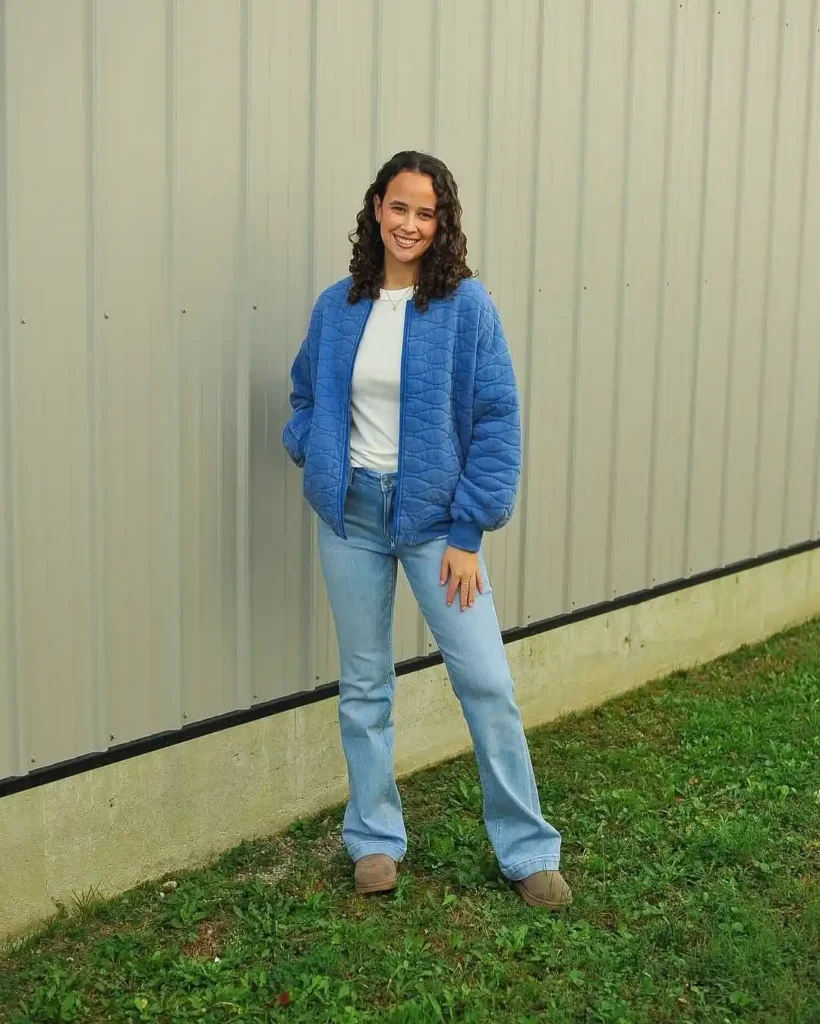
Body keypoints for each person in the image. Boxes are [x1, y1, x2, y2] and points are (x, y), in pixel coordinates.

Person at [282, 151, 571, 911]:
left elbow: (497, 418)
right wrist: (312, 456)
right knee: (366, 685)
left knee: (486, 682)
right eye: (399, 207)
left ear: (442, 224)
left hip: (438, 526)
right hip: (351, 519)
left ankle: (528, 847)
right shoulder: (337, 305)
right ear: (376, 208)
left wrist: (470, 532)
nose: (410, 224)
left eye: (426, 213)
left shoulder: (465, 308)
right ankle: (374, 841)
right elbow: (305, 392)